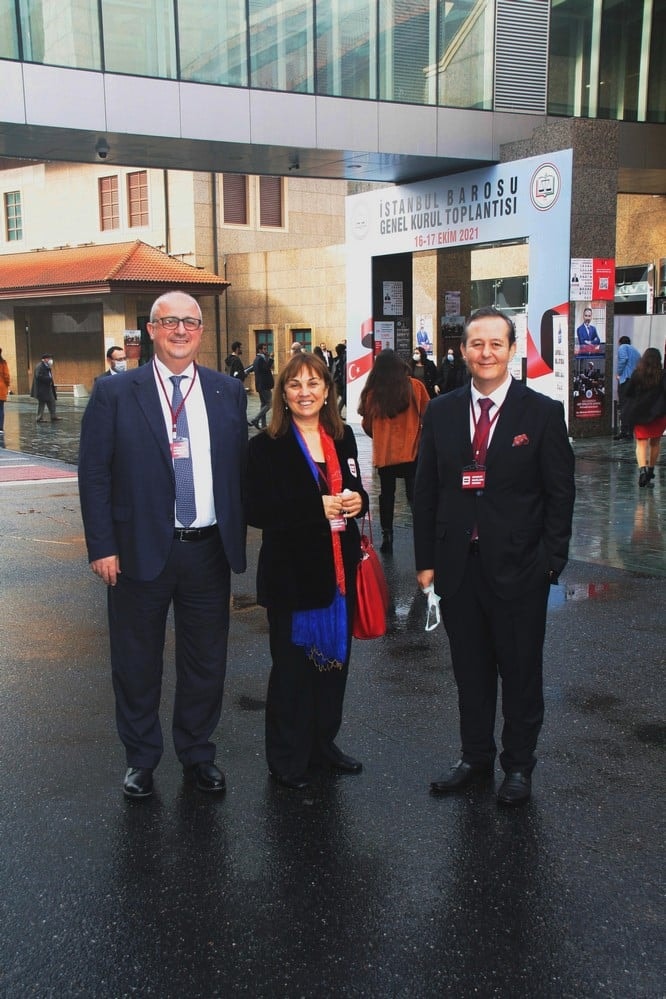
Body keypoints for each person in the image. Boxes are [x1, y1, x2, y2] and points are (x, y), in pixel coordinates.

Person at [78, 290, 247, 799]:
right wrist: (101, 545)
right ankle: (141, 759)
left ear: (201, 331)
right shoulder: (115, 393)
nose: (180, 330)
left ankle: (198, 754)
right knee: (136, 662)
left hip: (207, 549)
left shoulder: (226, 392)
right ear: (150, 330)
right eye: (168, 321)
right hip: (135, 551)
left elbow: (241, 470)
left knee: (205, 661)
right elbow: (94, 474)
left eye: (190, 323)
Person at [413, 307, 575, 806]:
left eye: (496, 344)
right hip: (459, 568)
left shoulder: (541, 413)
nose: (485, 353)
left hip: (520, 568)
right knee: (471, 670)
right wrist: (426, 563)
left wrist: (551, 561)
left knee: (521, 672)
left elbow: (560, 493)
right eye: (476, 344)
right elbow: (426, 491)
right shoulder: (440, 411)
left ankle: (518, 766)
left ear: (511, 350)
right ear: (463, 351)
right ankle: (474, 757)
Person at [245, 352, 368, 790]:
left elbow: (355, 490)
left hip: (338, 573)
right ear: (282, 394)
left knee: (333, 666)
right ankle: (287, 758)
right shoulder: (266, 446)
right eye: (295, 385)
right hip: (292, 576)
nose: (305, 393)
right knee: (293, 673)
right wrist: (312, 507)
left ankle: (323, 745)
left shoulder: (343, 436)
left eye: (314, 383)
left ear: (328, 391)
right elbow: (255, 509)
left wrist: (358, 502)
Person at [358, 349, 430, 554]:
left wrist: (381, 436)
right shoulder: (415, 387)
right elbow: (428, 413)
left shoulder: (373, 393)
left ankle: (387, 535)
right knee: (414, 495)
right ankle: (422, 536)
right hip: (412, 450)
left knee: (386, 495)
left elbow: (366, 424)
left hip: (385, 454)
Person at [623, 346, 666, 487]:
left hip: (639, 414)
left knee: (641, 444)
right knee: (655, 443)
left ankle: (642, 471)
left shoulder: (637, 374)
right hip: (658, 414)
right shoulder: (662, 374)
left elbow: (628, 392)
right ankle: (650, 471)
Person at [615, 335, 641, 439]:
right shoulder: (636, 351)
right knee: (631, 406)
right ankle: (630, 431)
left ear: (620, 342)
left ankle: (623, 431)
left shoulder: (623, 347)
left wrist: (619, 373)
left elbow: (623, 359)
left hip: (626, 380)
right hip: (635, 380)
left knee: (624, 405)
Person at [249, 343, 274, 429]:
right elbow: (266, 368)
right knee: (270, 403)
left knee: (263, 404)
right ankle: (256, 419)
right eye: (264, 349)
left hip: (260, 385)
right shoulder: (260, 359)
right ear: (259, 350)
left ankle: (263, 424)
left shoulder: (258, 359)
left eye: (266, 348)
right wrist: (271, 358)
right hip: (264, 386)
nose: (266, 350)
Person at [31, 352, 60, 422]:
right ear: (44, 359)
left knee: (52, 401)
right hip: (41, 389)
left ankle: (53, 416)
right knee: (42, 403)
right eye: (48, 358)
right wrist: (48, 379)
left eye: (50, 358)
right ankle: (39, 418)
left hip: (47, 388)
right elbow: (38, 376)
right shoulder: (40, 366)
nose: (50, 360)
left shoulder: (46, 366)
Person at [332, 343, 346, 415]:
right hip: (340, 382)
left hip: (336, 381)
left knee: (343, 398)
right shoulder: (342, 359)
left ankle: (337, 412)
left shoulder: (336, 359)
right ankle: (337, 412)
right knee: (344, 398)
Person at [0, 346, 10, 434]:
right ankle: (0, 428)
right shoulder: (3, 363)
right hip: (1, 389)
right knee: (1, 409)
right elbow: (6, 376)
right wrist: (7, 385)